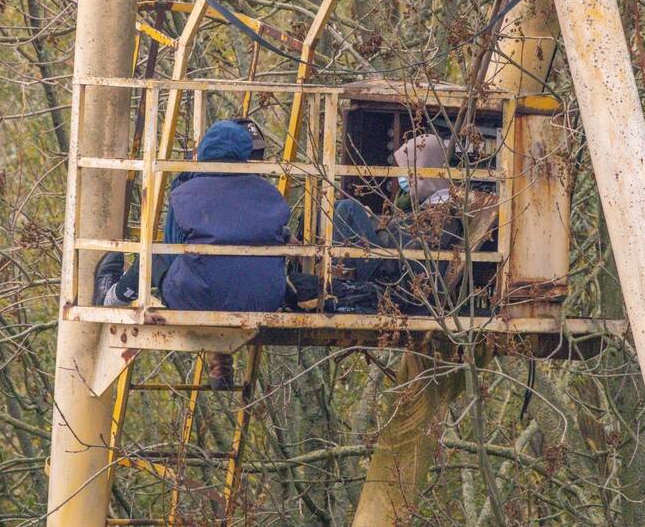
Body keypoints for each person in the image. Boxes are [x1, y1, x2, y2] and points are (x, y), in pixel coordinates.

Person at [93, 119, 291, 387]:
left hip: (200, 297)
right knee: (230, 272)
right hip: (263, 299)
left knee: (158, 255)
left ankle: (113, 296)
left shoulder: (185, 195)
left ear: (204, 151)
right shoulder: (270, 195)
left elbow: (172, 250)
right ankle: (219, 355)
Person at [332, 133, 462, 313]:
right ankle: (339, 279)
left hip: (393, 284)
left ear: (424, 169)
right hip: (389, 268)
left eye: (408, 170)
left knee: (348, 209)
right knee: (339, 207)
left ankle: (341, 283)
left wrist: (376, 227)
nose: (403, 176)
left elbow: (407, 254)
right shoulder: (433, 205)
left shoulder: (443, 212)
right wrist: (375, 224)